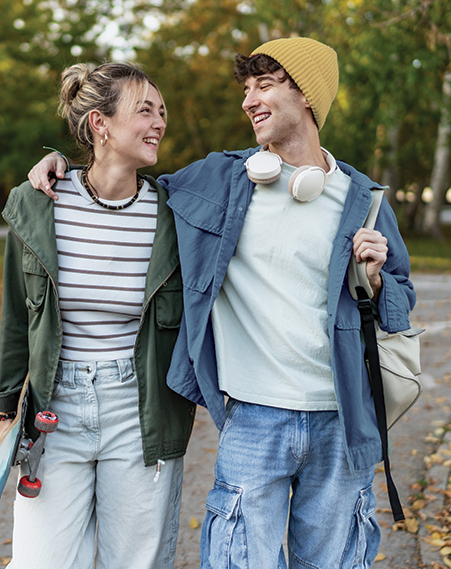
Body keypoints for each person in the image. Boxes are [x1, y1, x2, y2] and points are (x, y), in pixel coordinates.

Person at [29, 37, 416, 569]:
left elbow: (401, 305)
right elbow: (122, 177)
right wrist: (63, 165)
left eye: (265, 85)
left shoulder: (364, 199)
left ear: (307, 95)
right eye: (246, 88)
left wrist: (375, 281)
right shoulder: (220, 181)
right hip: (253, 417)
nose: (249, 100)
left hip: (343, 420)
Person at [0, 61, 195, 568]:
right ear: (100, 123)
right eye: (144, 110)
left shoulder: (175, 212)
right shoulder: (39, 202)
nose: (159, 123)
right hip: (54, 409)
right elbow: (16, 317)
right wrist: (6, 408)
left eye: (162, 113)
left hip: (142, 407)